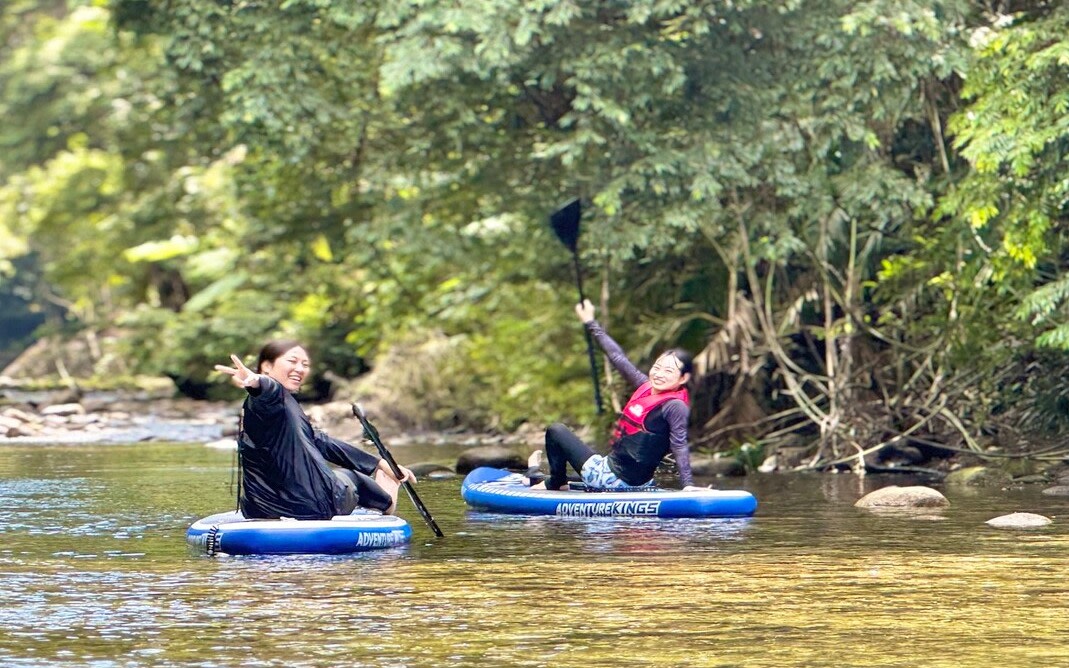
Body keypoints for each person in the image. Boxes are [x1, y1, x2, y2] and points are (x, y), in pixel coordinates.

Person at [214, 340, 416, 520]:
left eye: (305, 364)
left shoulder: (283, 407)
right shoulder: (270, 395)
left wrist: (379, 463)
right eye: (292, 361)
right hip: (312, 505)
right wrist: (253, 381)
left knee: (343, 471)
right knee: (354, 479)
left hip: (259, 509)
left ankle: (383, 482)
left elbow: (323, 442)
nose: (300, 369)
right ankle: (388, 502)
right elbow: (265, 387)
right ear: (266, 366)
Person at [532, 300, 701, 492]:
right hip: (631, 481)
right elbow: (616, 356)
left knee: (556, 430)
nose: (659, 374)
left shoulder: (674, 406)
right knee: (582, 468)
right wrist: (590, 321)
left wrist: (688, 486)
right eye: (657, 367)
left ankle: (555, 482)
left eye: (668, 371)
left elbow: (679, 444)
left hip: (612, 479)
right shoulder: (646, 386)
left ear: (683, 378)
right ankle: (537, 476)